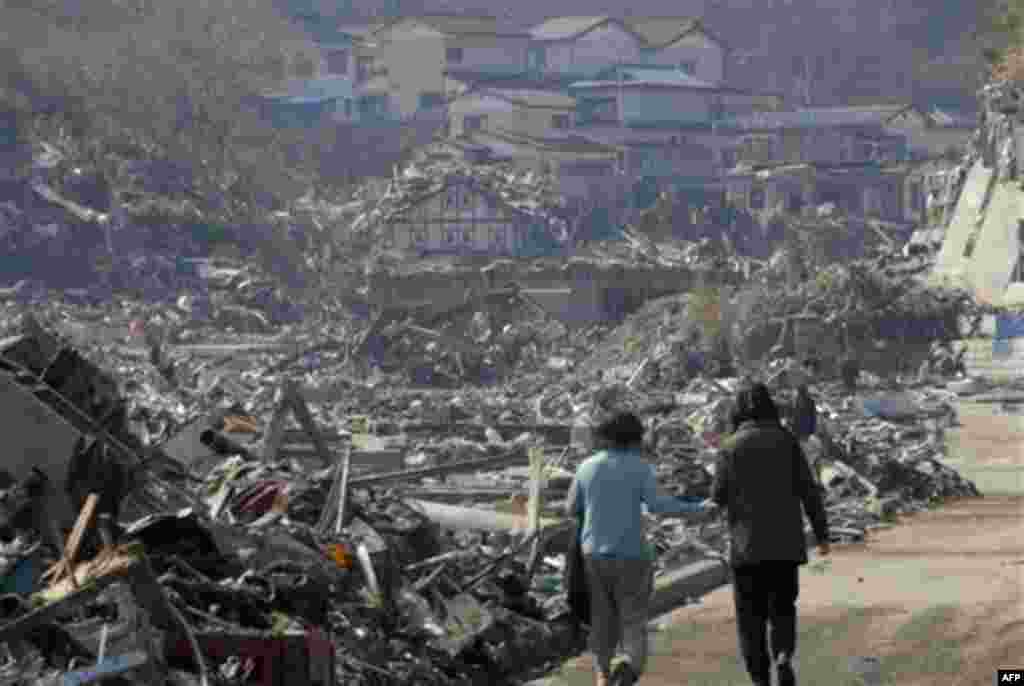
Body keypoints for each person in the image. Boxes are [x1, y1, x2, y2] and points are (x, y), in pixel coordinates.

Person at [566, 411, 711, 686]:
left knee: (602, 619)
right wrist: (697, 510)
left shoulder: (587, 466)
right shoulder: (640, 467)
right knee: (632, 620)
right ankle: (628, 671)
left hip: (593, 554)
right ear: (633, 439)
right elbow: (659, 506)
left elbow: (570, 508)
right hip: (632, 554)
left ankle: (602, 677)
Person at [712, 383, 830, 686]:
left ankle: (760, 680)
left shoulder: (729, 447)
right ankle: (783, 655)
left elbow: (718, 495)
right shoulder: (787, 441)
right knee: (783, 608)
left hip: (745, 548)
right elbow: (808, 490)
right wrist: (822, 533)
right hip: (785, 545)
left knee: (750, 619)